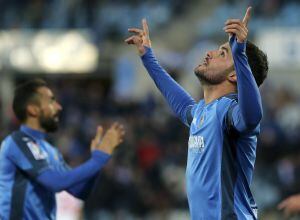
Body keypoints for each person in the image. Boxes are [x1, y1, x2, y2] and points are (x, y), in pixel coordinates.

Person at [125, 7, 268, 220]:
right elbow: (181, 104)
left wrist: (240, 54)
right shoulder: (202, 111)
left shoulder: (230, 113)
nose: (209, 53)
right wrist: (148, 57)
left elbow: (252, 117)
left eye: (222, 53)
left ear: (235, 75)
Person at [0, 79, 125, 219]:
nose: (59, 107)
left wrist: (97, 159)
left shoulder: (50, 150)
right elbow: (55, 182)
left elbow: (80, 191)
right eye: (51, 101)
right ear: (32, 109)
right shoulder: (17, 143)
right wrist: (99, 158)